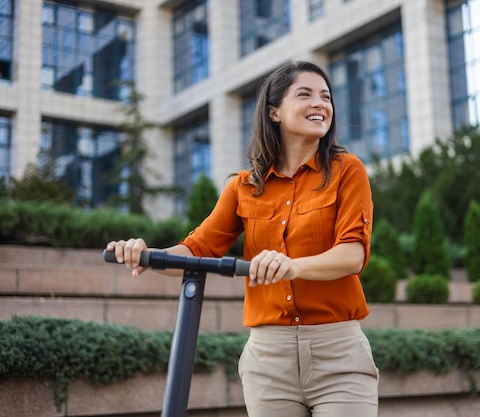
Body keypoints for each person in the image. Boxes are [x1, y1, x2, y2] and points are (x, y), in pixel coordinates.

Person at [107, 59, 378, 417]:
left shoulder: (347, 170)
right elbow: (196, 250)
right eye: (305, 94)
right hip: (269, 361)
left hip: (338, 354)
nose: (320, 103)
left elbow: (352, 254)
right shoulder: (244, 186)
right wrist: (144, 252)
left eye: (326, 96)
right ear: (274, 112)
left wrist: (290, 266)